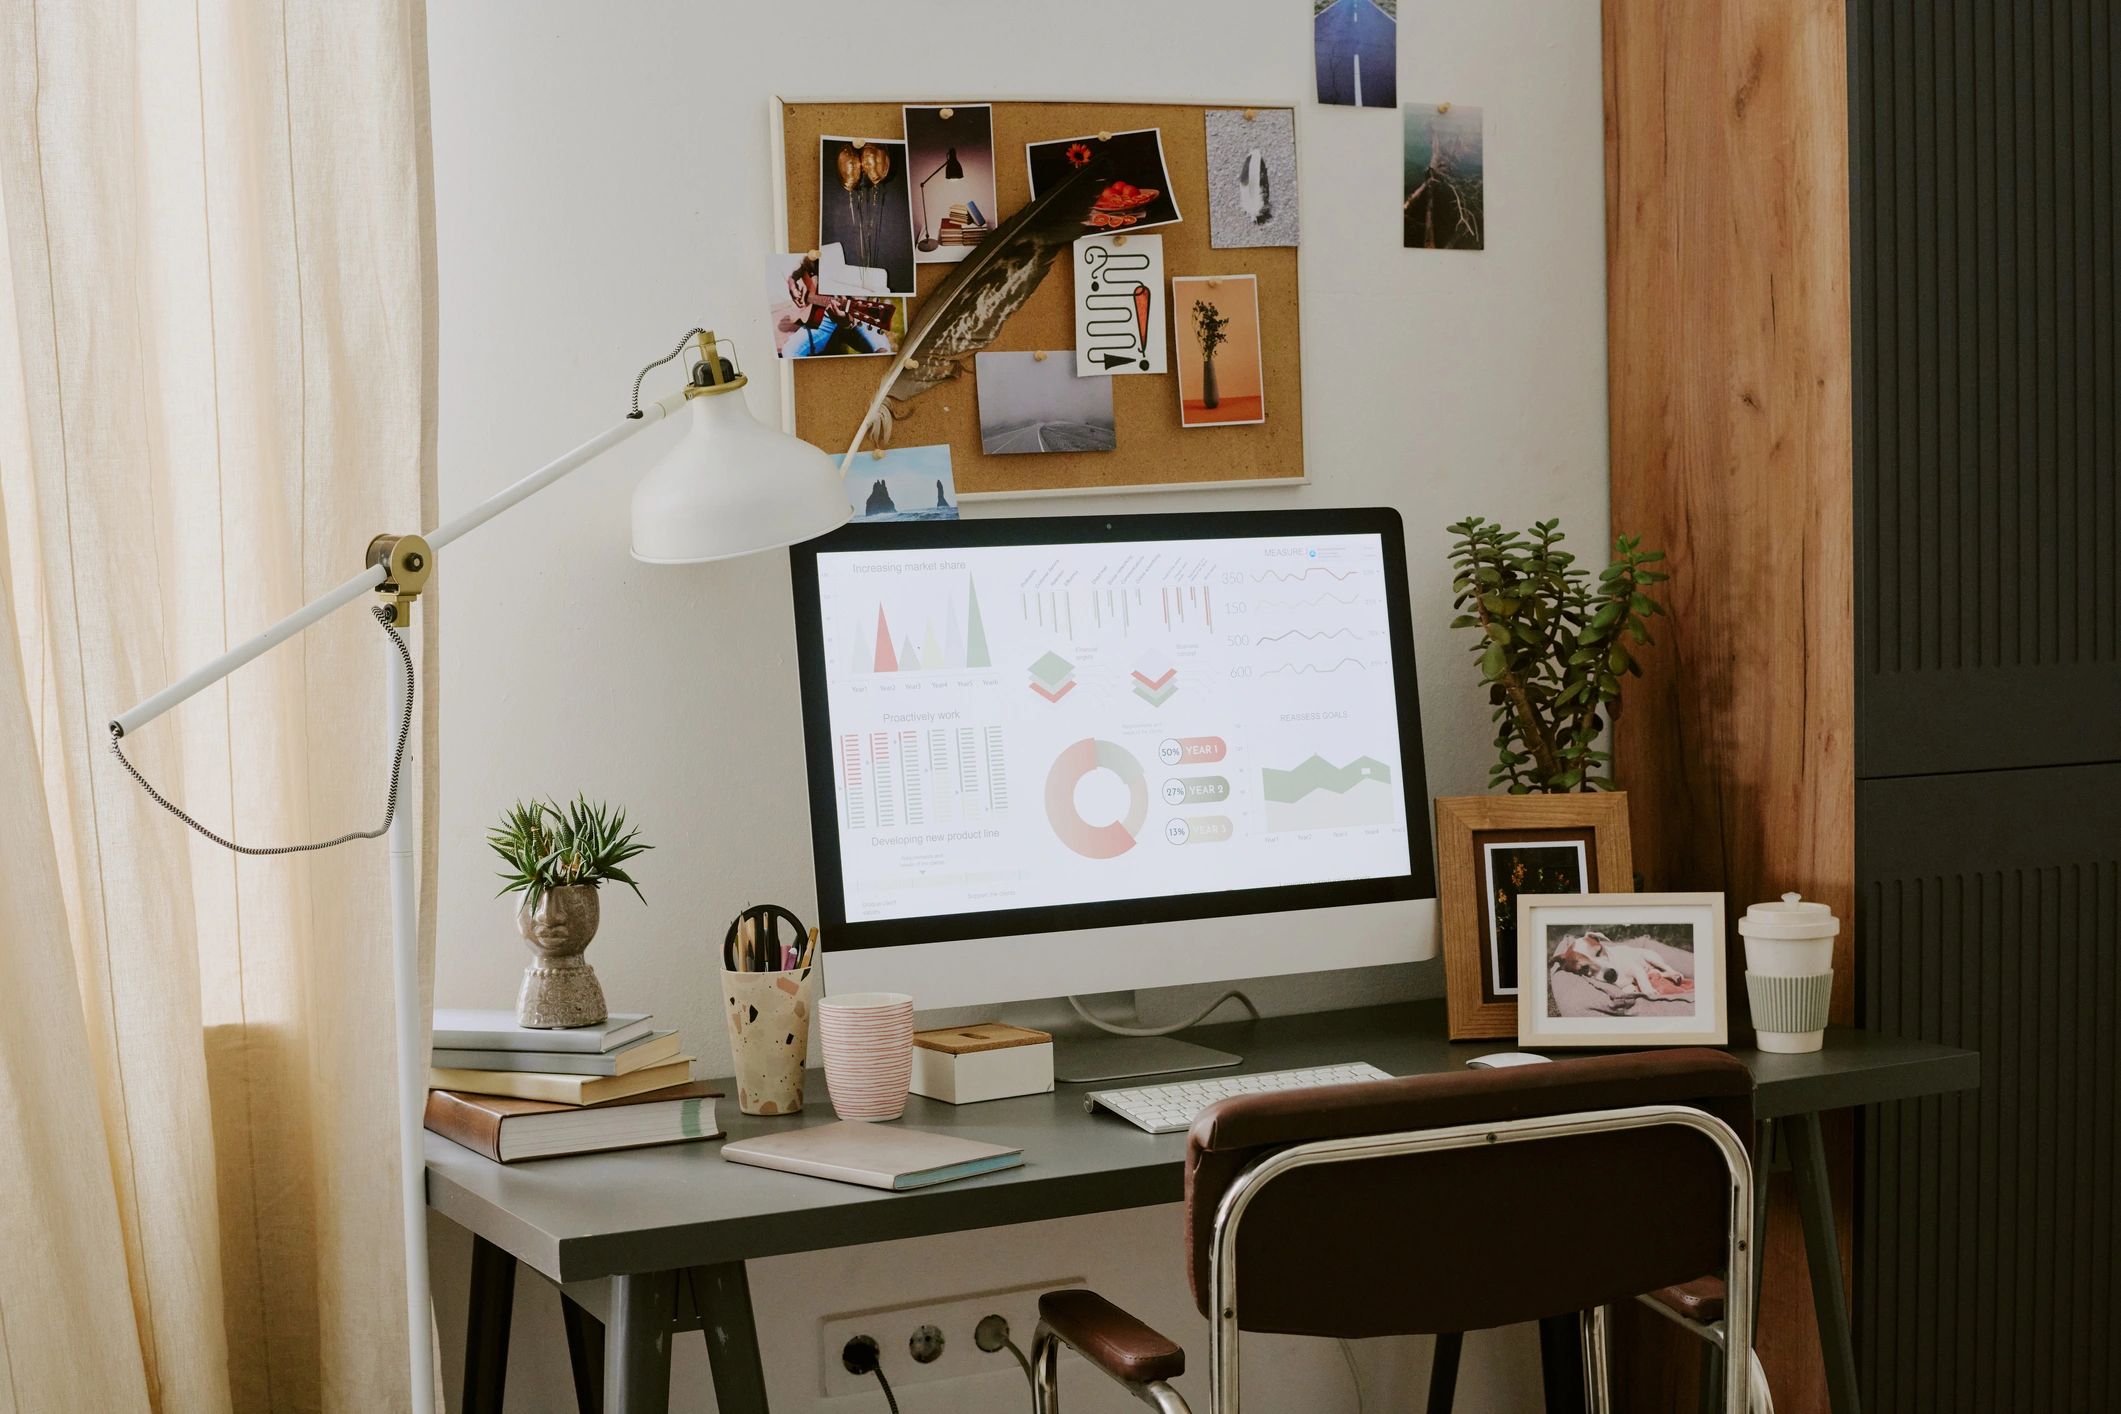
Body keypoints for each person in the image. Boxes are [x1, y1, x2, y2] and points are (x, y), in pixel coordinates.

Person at [777, 255, 892, 358]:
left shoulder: (859, 264)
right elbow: (800, 269)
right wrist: (792, 284)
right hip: (823, 320)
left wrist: (847, 322)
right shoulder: (817, 258)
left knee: (883, 352)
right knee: (788, 352)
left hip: (857, 318)